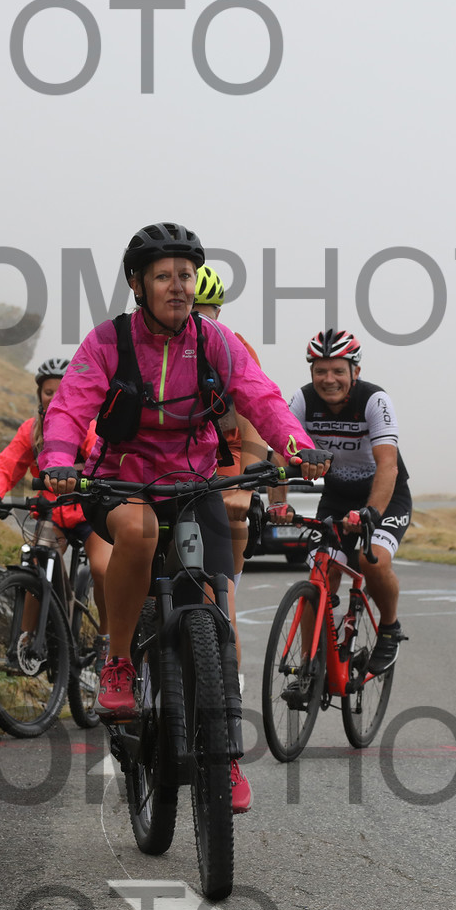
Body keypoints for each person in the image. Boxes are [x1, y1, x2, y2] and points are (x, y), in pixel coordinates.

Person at [39, 223, 330, 814]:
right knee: (140, 533)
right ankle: (119, 663)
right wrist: (59, 460)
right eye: (163, 277)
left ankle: (223, 757)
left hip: (194, 482)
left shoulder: (215, 341)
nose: (178, 286)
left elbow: (262, 397)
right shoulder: (109, 342)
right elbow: (69, 406)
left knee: (218, 613)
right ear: (138, 284)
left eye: (185, 276)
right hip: (121, 479)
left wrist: (298, 447)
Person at [271, 327, 410, 674]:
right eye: (320, 371)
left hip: (384, 495)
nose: (328, 379)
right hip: (337, 496)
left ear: (355, 371)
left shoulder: (374, 400)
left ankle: (389, 628)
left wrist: (371, 512)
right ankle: (308, 669)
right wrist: (278, 503)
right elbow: (280, 451)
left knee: (371, 562)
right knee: (321, 572)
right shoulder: (302, 400)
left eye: (337, 370)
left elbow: (388, 465)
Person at [0, 358, 110, 650]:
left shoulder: (87, 428)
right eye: (48, 392)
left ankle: (106, 640)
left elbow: (102, 463)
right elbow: (8, 465)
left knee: (102, 569)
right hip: (52, 515)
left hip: (90, 514)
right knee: (38, 564)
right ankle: (25, 643)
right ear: (40, 395)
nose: (54, 397)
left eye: (61, 391)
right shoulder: (30, 430)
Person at [192, 264, 266, 667]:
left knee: (221, 588)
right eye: (191, 312)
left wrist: (244, 487)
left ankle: (228, 681)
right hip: (172, 458)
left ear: (219, 313)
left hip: (227, 454)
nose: (199, 323)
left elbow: (255, 417)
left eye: (207, 314)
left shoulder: (233, 347)